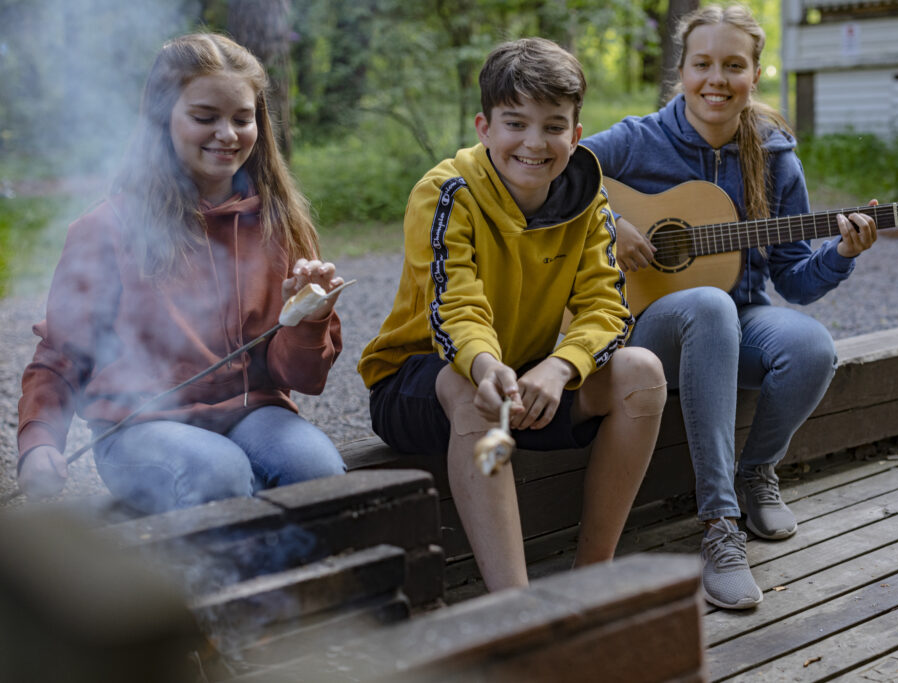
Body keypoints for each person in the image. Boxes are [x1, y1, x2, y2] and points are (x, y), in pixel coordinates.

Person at [581, 5, 878, 609]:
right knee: (709, 306)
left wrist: (841, 253)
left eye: (733, 66)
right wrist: (609, 222)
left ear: (756, 73)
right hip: (637, 325)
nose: (717, 79)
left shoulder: (774, 157)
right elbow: (551, 171)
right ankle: (719, 526)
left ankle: (755, 473)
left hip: (733, 320)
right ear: (682, 71)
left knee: (810, 346)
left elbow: (794, 280)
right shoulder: (637, 140)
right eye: (703, 64)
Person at [358, 38, 667, 592]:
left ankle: (590, 580)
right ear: (484, 127)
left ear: (576, 134)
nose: (534, 142)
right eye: (515, 123)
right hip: (418, 381)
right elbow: (456, 307)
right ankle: (516, 611)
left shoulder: (590, 201)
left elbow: (606, 308)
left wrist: (562, 367)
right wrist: (484, 366)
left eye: (553, 126)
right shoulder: (445, 193)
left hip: (529, 380)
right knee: (471, 385)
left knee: (642, 373)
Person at [16, 33, 347, 514]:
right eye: (204, 117)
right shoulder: (106, 228)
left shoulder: (281, 222)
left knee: (316, 471)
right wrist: (39, 441)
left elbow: (304, 378)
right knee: (219, 472)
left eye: (242, 118)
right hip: (138, 430)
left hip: (254, 414)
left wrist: (308, 317)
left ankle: (308, 588)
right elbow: (60, 356)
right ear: (161, 118)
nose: (228, 135)